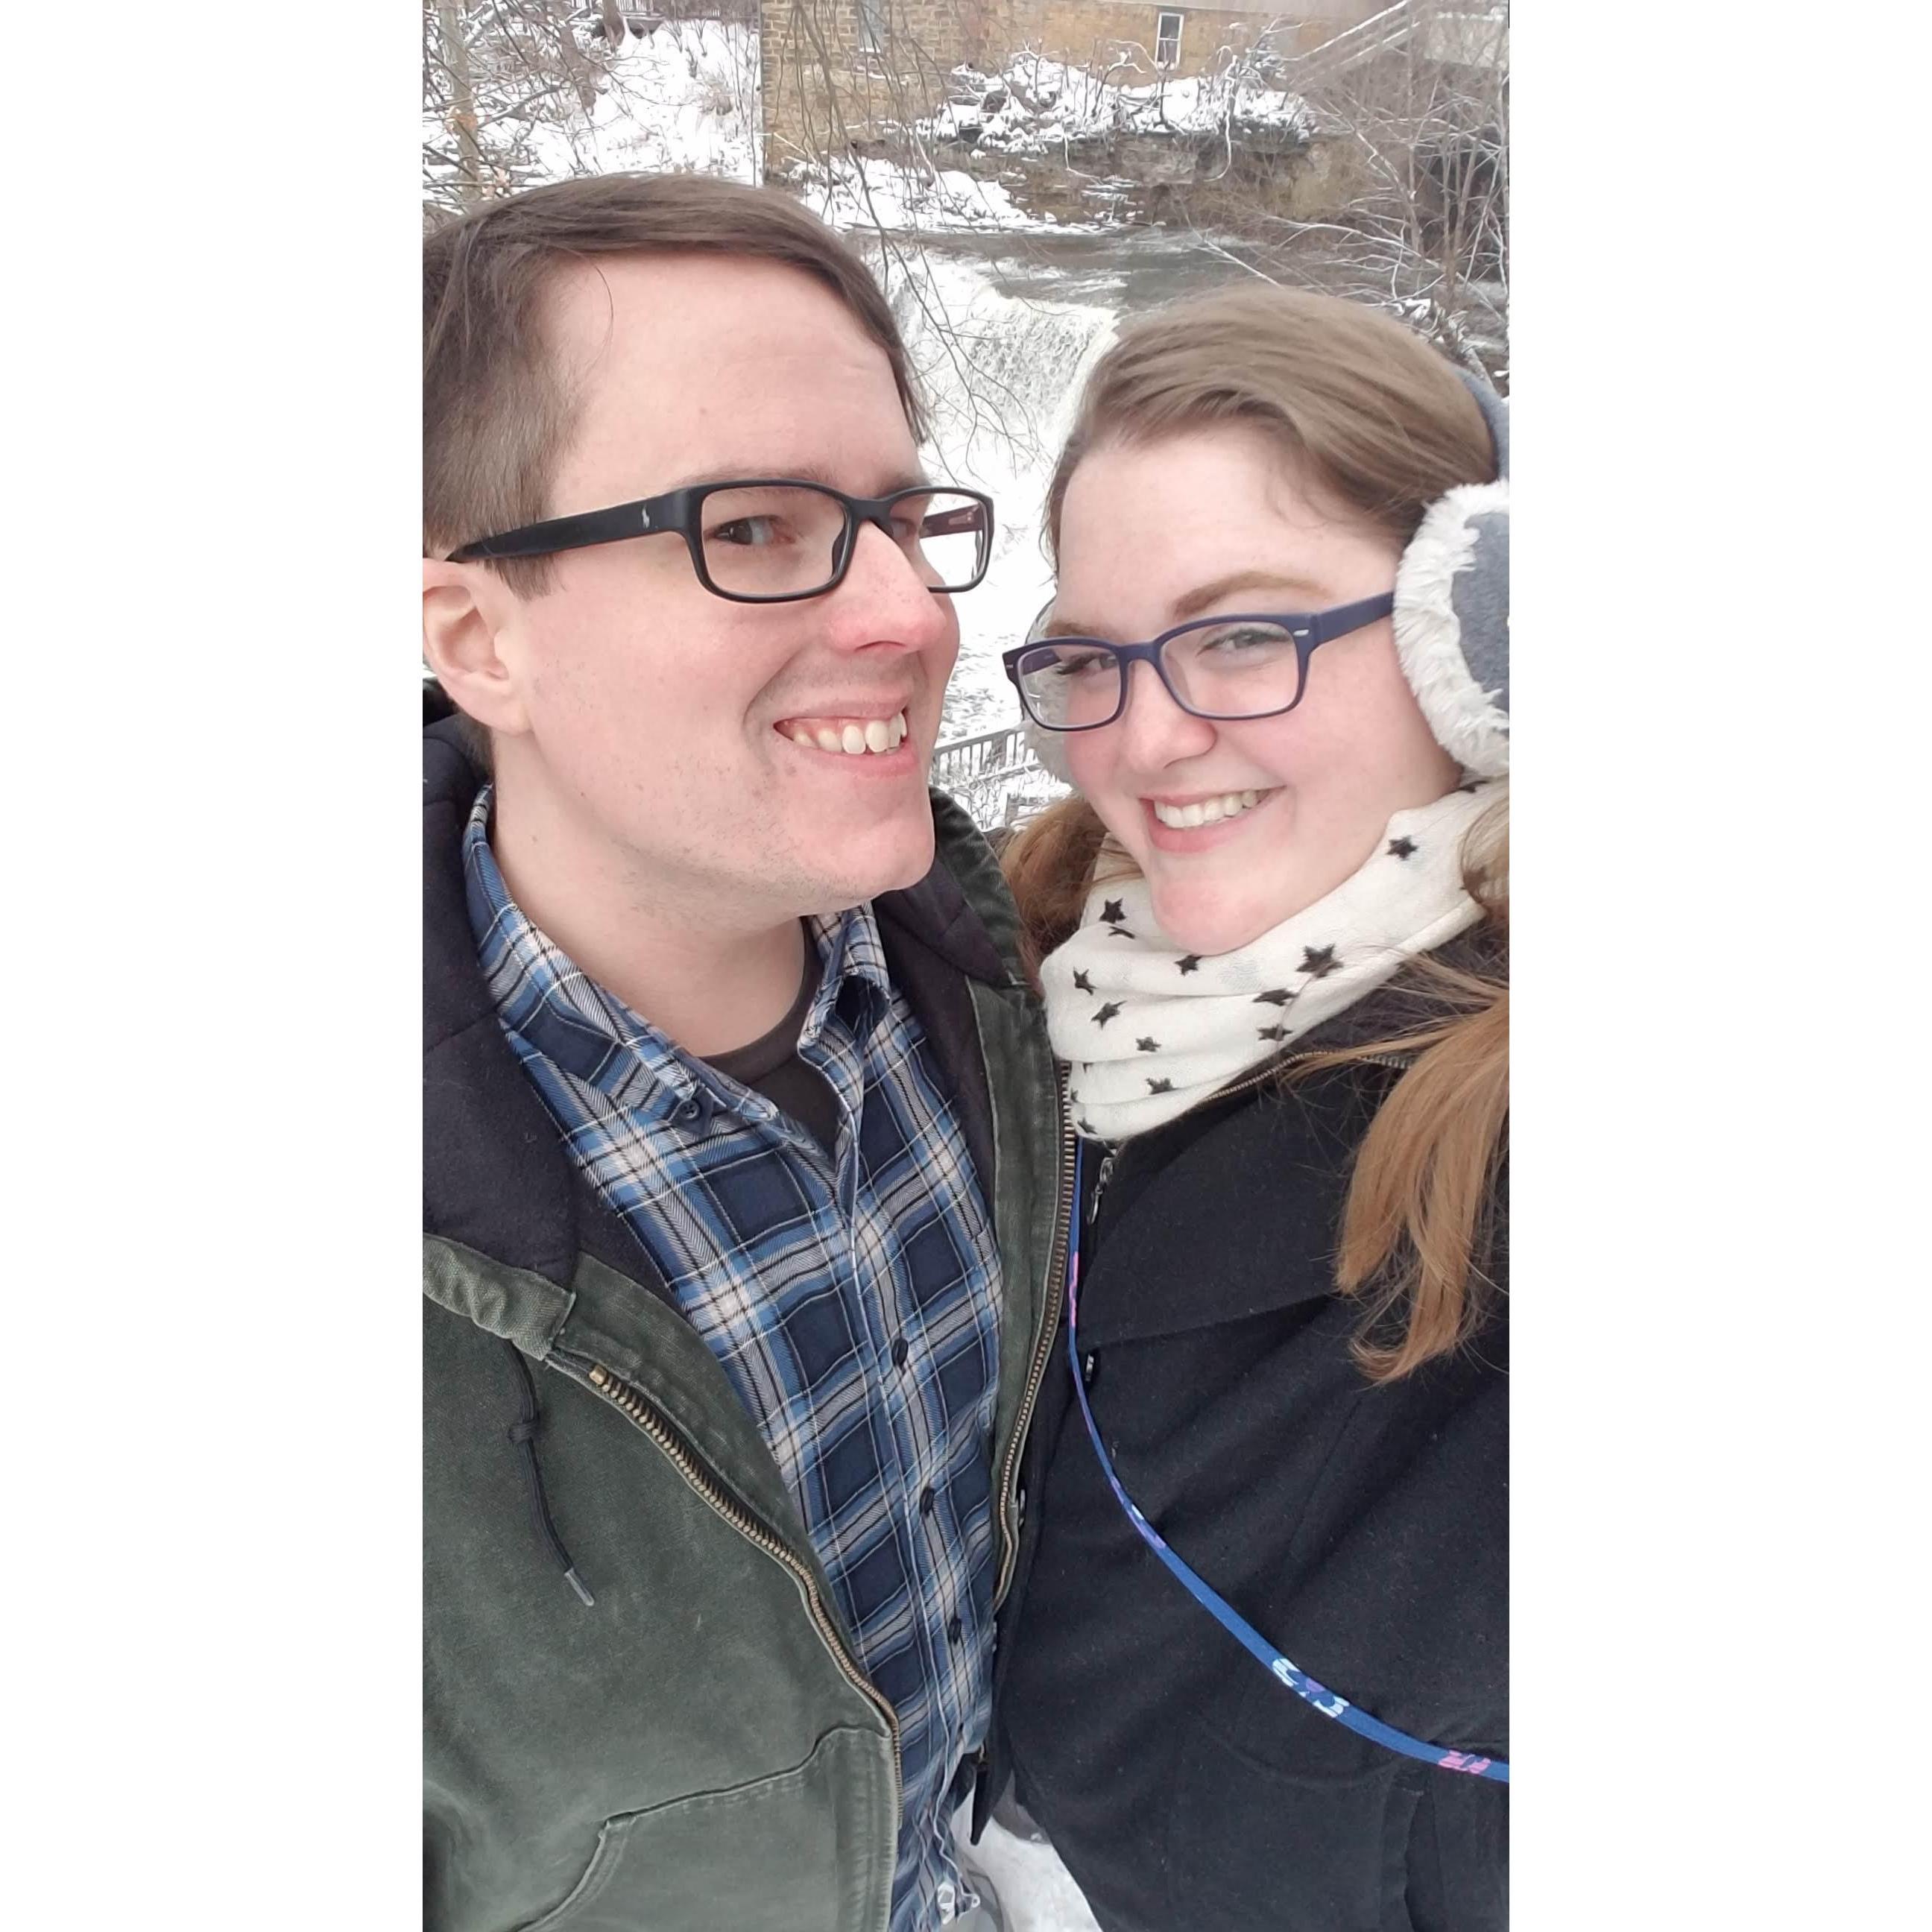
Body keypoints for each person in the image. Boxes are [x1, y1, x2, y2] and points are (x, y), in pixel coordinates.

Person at [420, 172, 1062, 1932]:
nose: (912, 619)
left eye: (902, 521)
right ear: (482, 636)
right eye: (759, 529)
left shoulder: (1021, 992)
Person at [979, 285, 1510, 1931]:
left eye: (1243, 635)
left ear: (1471, 639)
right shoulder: (1040, 966)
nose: (1142, 741)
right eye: (1090, 654)